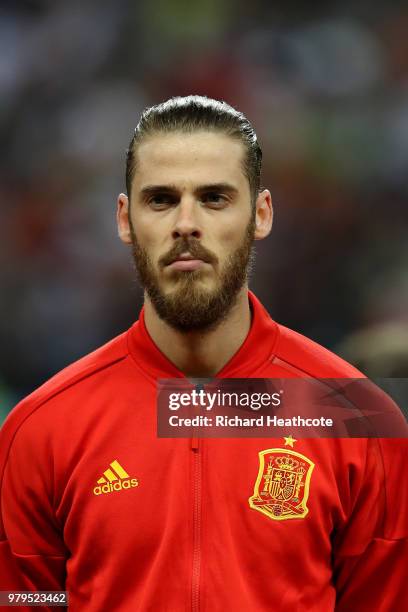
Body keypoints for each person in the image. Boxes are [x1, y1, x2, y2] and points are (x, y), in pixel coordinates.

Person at [0, 96, 406, 611]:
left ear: (261, 214)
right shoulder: (42, 429)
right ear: (125, 219)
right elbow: (26, 601)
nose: (186, 223)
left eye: (214, 198)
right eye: (161, 199)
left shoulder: (354, 417)